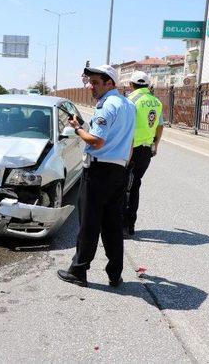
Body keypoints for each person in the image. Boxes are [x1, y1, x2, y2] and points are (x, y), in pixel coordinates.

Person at [57, 65, 136, 288]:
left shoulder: (106, 106)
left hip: (98, 171)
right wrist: (82, 125)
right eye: (90, 82)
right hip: (118, 171)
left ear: (110, 83)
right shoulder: (128, 106)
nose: (91, 87)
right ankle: (114, 274)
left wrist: (76, 130)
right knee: (112, 225)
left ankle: (79, 270)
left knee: (89, 223)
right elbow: (127, 140)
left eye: (95, 83)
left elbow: (97, 142)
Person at [123, 71, 163, 238]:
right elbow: (160, 126)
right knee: (135, 186)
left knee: (122, 187)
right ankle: (130, 225)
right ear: (148, 85)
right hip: (146, 151)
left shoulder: (130, 101)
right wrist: (155, 145)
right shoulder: (156, 102)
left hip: (129, 150)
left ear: (131, 85)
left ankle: (120, 225)